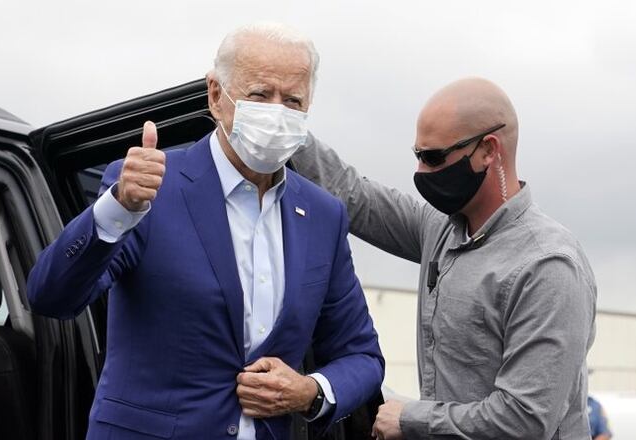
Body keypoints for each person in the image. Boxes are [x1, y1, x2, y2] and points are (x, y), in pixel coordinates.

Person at [27, 23, 384, 440]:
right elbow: (50, 296)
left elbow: (361, 355)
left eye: (292, 100)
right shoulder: (152, 188)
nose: (277, 112)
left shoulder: (323, 215)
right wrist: (116, 210)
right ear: (217, 96)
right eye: (260, 95)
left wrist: (310, 391)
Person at [290, 77, 597, 439]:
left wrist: (410, 419)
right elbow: (353, 194)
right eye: (418, 156)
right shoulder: (441, 230)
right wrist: (283, 124)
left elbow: (525, 418)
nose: (422, 173)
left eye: (434, 158)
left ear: (488, 150)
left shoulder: (547, 266)